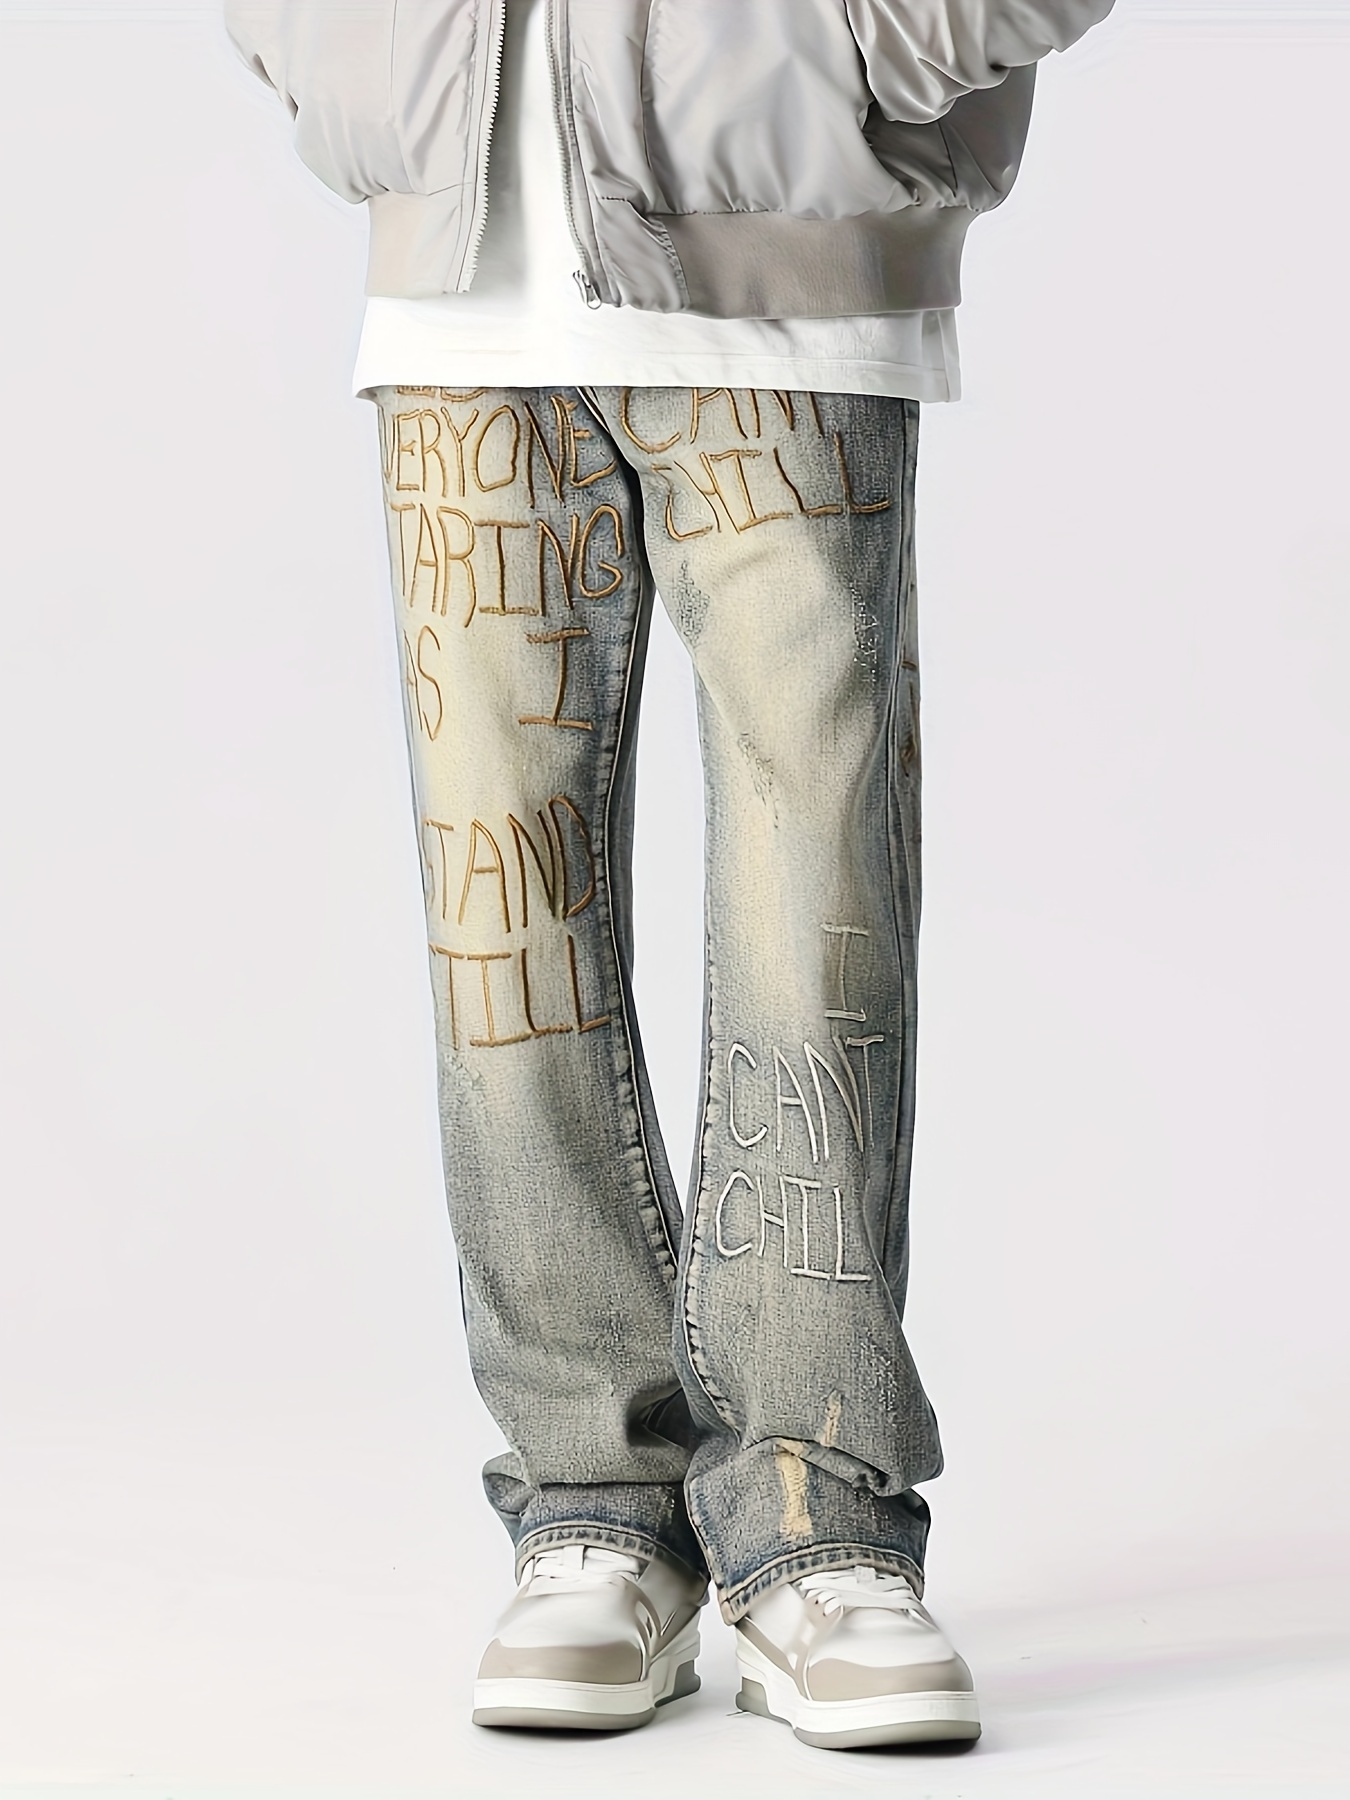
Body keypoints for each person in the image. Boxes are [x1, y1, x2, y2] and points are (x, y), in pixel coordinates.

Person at [226, 0, 1113, 1753]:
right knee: (504, 933)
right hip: (460, 298)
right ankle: (592, 1503)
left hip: (790, 288)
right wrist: (354, 59)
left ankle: (816, 1514)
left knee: (815, 917)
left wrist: (847, 49)